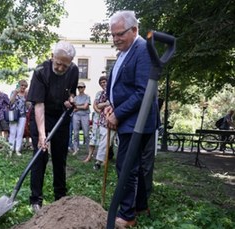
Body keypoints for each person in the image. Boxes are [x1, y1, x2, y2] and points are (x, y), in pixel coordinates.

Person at [104, 11, 158, 227]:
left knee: (126, 166)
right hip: (128, 117)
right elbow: (121, 85)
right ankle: (140, 205)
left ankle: (127, 216)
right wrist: (111, 105)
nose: (116, 39)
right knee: (133, 164)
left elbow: (143, 91)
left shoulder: (143, 49)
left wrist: (118, 113)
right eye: (113, 35)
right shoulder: (125, 51)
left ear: (134, 30)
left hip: (138, 121)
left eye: (120, 34)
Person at [27, 41, 79, 213]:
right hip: (42, 117)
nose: (61, 67)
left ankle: (60, 198)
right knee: (40, 157)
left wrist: (70, 100)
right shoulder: (41, 71)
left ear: (70, 62)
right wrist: (42, 135)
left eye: (65, 65)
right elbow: (39, 105)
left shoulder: (73, 70)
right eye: (58, 63)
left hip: (61, 119)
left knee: (59, 158)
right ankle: (36, 200)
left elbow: (71, 92)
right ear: (52, 57)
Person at [85, 76, 116, 164]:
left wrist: (103, 106)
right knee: (94, 137)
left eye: (105, 82)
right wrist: (102, 109)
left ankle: (105, 159)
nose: (103, 84)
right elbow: (96, 105)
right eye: (101, 82)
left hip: (110, 117)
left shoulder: (111, 91)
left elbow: (111, 103)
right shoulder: (100, 93)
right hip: (99, 118)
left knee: (107, 139)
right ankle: (90, 156)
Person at [8, 79, 29, 156]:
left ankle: (17, 149)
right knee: (12, 132)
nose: (23, 87)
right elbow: (10, 102)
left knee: (20, 132)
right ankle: (10, 149)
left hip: (22, 115)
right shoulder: (14, 92)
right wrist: (15, 93)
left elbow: (28, 106)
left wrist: (27, 98)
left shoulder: (26, 94)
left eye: (25, 86)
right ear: (19, 85)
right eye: (22, 85)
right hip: (14, 114)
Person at [72, 81, 91, 155]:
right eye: (79, 87)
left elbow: (86, 107)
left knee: (86, 133)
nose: (80, 88)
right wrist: (81, 106)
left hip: (85, 115)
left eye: (81, 87)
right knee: (76, 133)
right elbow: (74, 107)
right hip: (76, 115)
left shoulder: (87, 96)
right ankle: (76, 149)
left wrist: (78, 107)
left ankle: (88, 150)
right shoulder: (75, 98)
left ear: (84, 88)